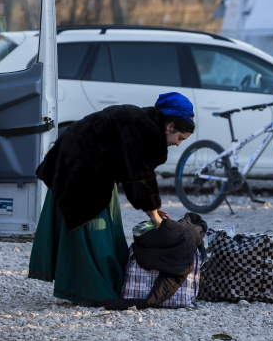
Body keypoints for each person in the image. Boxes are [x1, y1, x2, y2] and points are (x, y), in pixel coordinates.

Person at [28, 92, 195, 307]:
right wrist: (153, 214)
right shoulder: (145, 128)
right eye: (180, 138)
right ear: (169, 126)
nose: (179, 144)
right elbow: (140, 174)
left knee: (106, 228)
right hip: (79, 170)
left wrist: (153, 210)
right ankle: (91, 290)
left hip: (96, 170)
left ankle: (109, 282)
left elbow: (131, 170)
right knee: (91, 232)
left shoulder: (147, 123)